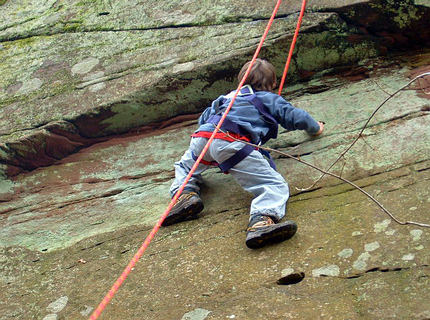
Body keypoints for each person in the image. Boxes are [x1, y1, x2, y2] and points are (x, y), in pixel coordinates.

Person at [162, 58, 324, 249]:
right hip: (232, 143)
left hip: (203, 138)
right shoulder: (268, 98)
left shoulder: (225, 98)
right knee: (272, 184)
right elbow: (297, 117)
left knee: (184, 166)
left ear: (241, 80)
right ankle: (261, 221)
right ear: (273, 83)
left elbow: (203, 118)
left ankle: (185, 194)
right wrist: (316, 128)